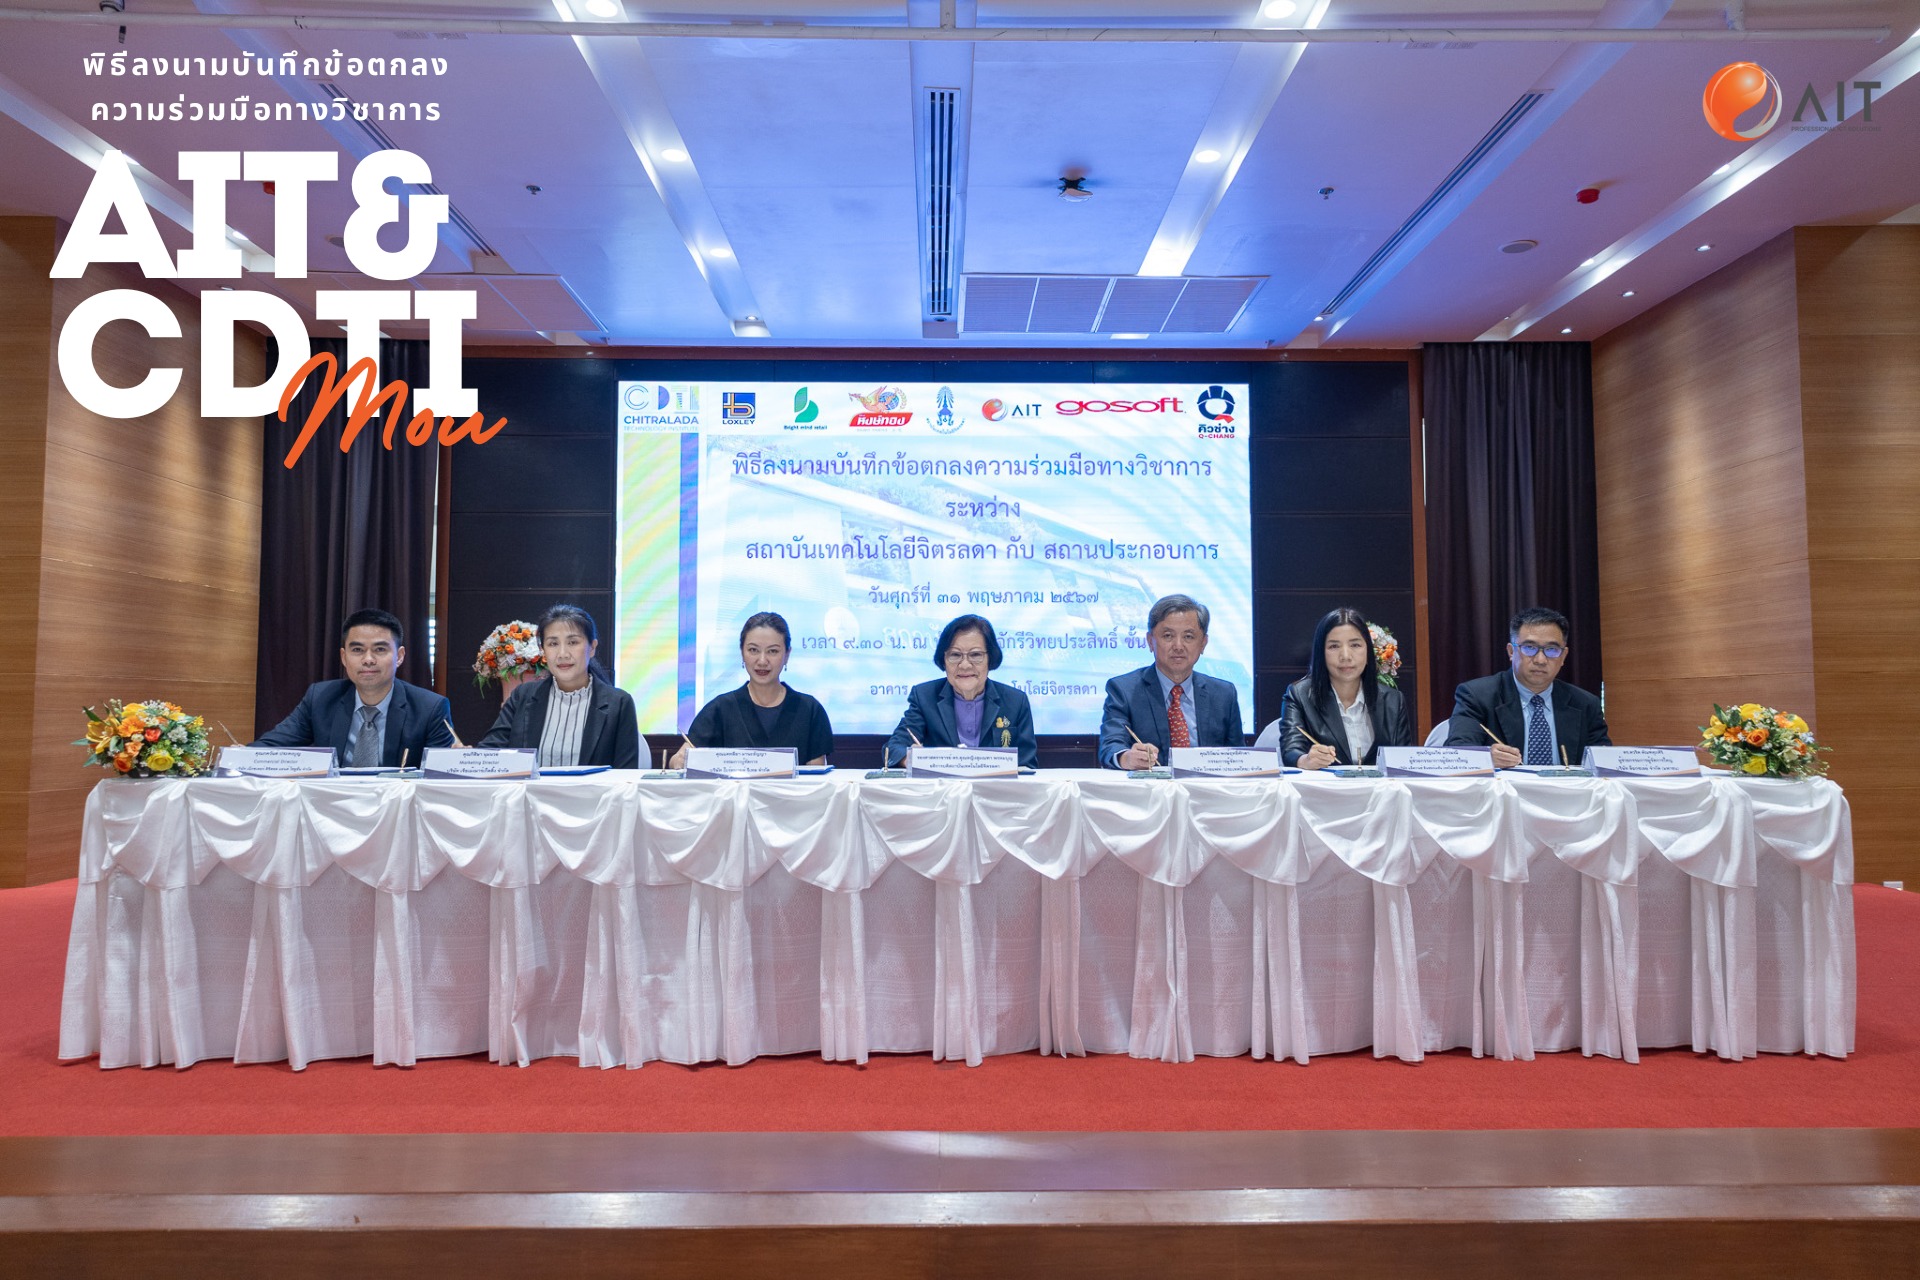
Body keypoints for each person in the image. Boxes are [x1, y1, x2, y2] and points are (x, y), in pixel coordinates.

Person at [254, 608, 454, 767]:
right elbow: (271, 748)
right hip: (333, 802)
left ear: (399, 656)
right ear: (344, 657)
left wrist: (457, 761)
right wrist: (243, 754)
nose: (368, 659)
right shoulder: (320, 698)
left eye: (380, 649)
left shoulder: (430, 708)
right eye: (357, 650)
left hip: (398, 805)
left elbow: (440, 776)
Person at [478, 604, 641, 769]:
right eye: (553, 644)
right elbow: (490, 754)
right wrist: (470, 758)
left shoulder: (619, 703)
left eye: (573, 642)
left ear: (592, 647)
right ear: (542, 650)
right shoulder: (523, 696)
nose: (563, 654)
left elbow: (626, 775)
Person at [1446, 606, 1610, 768]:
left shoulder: (1586, 704)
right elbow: (1457, 753)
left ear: (1563, 656)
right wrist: (1485, 758)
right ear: (1511, 651)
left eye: (1552, 650)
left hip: (1566, 786)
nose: (1540, 660)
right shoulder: (1477, 696)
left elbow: (1604, 763)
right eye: (1530, 648)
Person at [1098, 593, 1245, 769]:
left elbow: (1238, 757)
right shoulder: (1124, 690)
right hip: (1149, 786)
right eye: (1168, 636)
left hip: (1207, 785)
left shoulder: (1223, 694)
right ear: (1150, 641)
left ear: (1203, 643)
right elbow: (1111, 746)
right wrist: (1127, 757)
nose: (1178, 646)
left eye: (1188, 637)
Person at [669, 612, 833, 768]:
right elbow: (679, 759)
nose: (762, 661)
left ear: (787, 655)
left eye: (773, 651)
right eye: (753, 650)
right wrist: (679, 761)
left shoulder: (809, 710)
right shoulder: (720, 708)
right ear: (742, 652)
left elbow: (816, 777)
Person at [883, 614, 1038, 769]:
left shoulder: (1015, 701)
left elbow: (1027, 764)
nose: (964, 665)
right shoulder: (924, 696)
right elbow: (894, 748)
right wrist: (911, 759)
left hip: (996, 785)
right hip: (942, 784)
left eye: (975, 655)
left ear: (990, 658)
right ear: (943, 659)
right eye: (955, 655)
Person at [1277, 607, 1412, 768]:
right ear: (1321, 653)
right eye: (1334, 646)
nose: (1346, 656)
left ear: (1368, 651)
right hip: (1324, 784)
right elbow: (1291, 750)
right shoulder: (1300, 695)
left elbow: (1402, 761)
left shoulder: (1393, 700)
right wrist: (1306, 760)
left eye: (1355, 645)